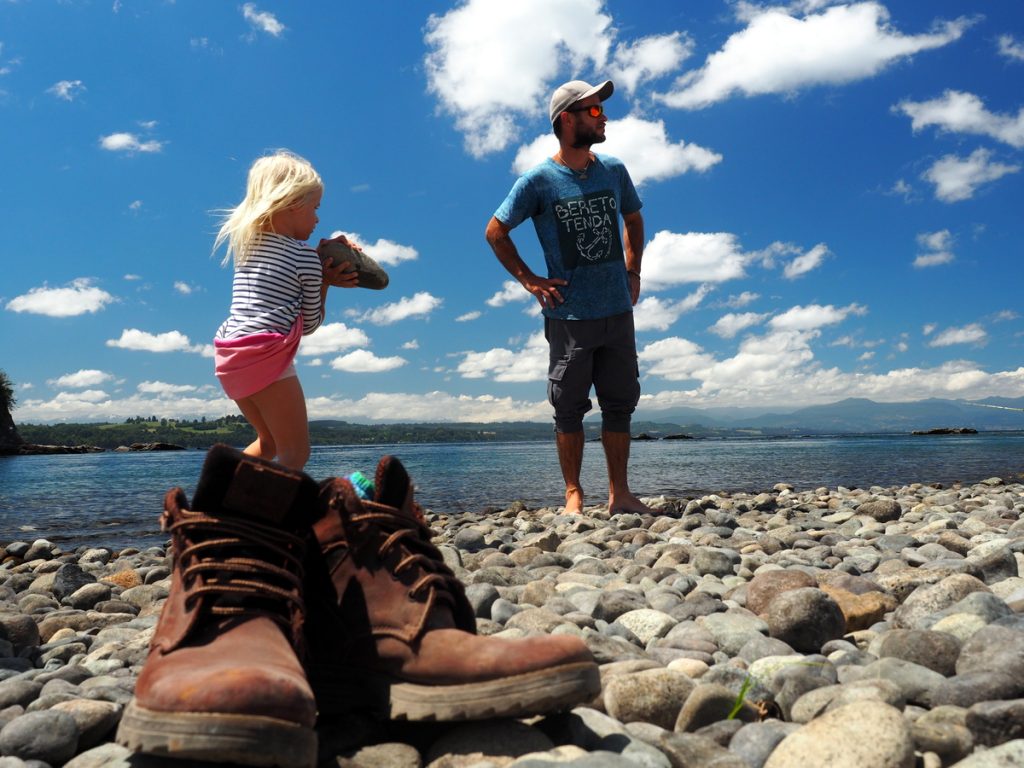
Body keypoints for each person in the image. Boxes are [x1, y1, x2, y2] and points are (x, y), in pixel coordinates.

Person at [486, 79, 650, 515]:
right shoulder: (538, 181)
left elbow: (633, 219)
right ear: (566, 121)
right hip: (569, 315)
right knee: (568, 408)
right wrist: (530, 280)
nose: (604, 117)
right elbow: (495, 232)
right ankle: (573, 494)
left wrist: (633, 270)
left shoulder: (612, 169)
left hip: (617, 310)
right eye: (594, 111)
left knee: (620, 404)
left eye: (602, 110)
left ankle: (620, 495)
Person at [213, 150, 357, 470]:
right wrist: (326, 281)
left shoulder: (248, 245)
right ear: (292, 202)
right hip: (264, 353)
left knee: (269, 443)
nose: (317, 218)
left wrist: (322, 262)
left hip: (230, 356)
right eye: (315, 207)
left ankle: (215, 499)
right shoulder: (304, 257)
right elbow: (309, 324)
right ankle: (274, 516)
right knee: (296, 452)